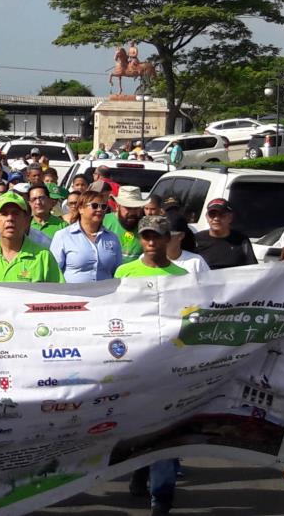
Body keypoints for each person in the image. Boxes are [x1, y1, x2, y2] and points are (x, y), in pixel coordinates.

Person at [114, 216, 187, 516]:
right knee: (139, 431)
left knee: (167, 435)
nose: (151, 243)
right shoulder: (124, 271)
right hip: (134, 366)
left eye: (157, 236)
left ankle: (162, 500)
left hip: (170, 368)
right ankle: (139, 473)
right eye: (146, 237)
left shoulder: (183, 276)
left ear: (167, 238)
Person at [0, 192, 63, 283]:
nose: (10, 218)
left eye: (15, 213)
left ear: (26, 221)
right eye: (4, 214)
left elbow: (59, 296)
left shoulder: (44, 257)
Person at [49, 191, 122, 283]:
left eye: (103, 207)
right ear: (80, 209)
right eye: (94, 206)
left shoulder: (112, 238)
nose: (99, 210)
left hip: (105, 295)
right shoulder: (63, 236)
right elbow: (54, 272)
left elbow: (118, 271)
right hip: (73, 294)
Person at [194, 198, 257, 270]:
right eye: (212, 214)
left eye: (221, 214)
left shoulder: (241, 240)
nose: (216, 218)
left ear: (230, 217)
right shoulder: (196, 239)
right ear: (207, 217)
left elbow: (253, 269)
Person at [103, 186, 147, 263]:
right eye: (128, 208)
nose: (132, 213)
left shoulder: (147, 226)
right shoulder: (104, 222)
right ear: (117, 206)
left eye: (136, 208)